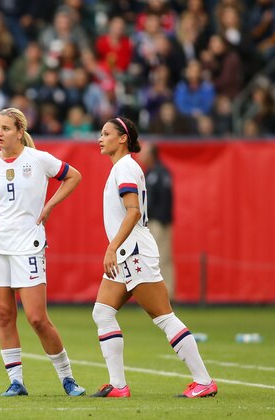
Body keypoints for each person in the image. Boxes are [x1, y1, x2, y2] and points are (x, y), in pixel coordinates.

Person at [90, 116, 217, 399]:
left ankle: (203, 381)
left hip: (133, 252)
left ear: (123, 138)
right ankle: (118, 386)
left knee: (164, 317)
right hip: (128, 251)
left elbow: (133, 211)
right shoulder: (124, 167)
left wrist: (112, 247)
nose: (100, 138)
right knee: (102, 312)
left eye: (106, 133)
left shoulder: (124, 167)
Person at [0, 107, 85, 397]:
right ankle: (16, 382)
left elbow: (74, 176)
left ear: (20, 131)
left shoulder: (39, 159)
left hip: (27, 244)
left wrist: (50, 205)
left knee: (36, 318)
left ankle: (68, 378)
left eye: (5, 128)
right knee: (4, 316)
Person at [139, 143, 174, 299]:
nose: (140, 155)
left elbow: (163, 200)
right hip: (150, 222)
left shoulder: (160, 173)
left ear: (151, 154)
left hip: (158, 222)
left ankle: (166, 296)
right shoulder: (149, 173)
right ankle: (156, 296)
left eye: (144, 152)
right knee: (152, 258)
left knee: (161, 257)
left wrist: (161, 219)